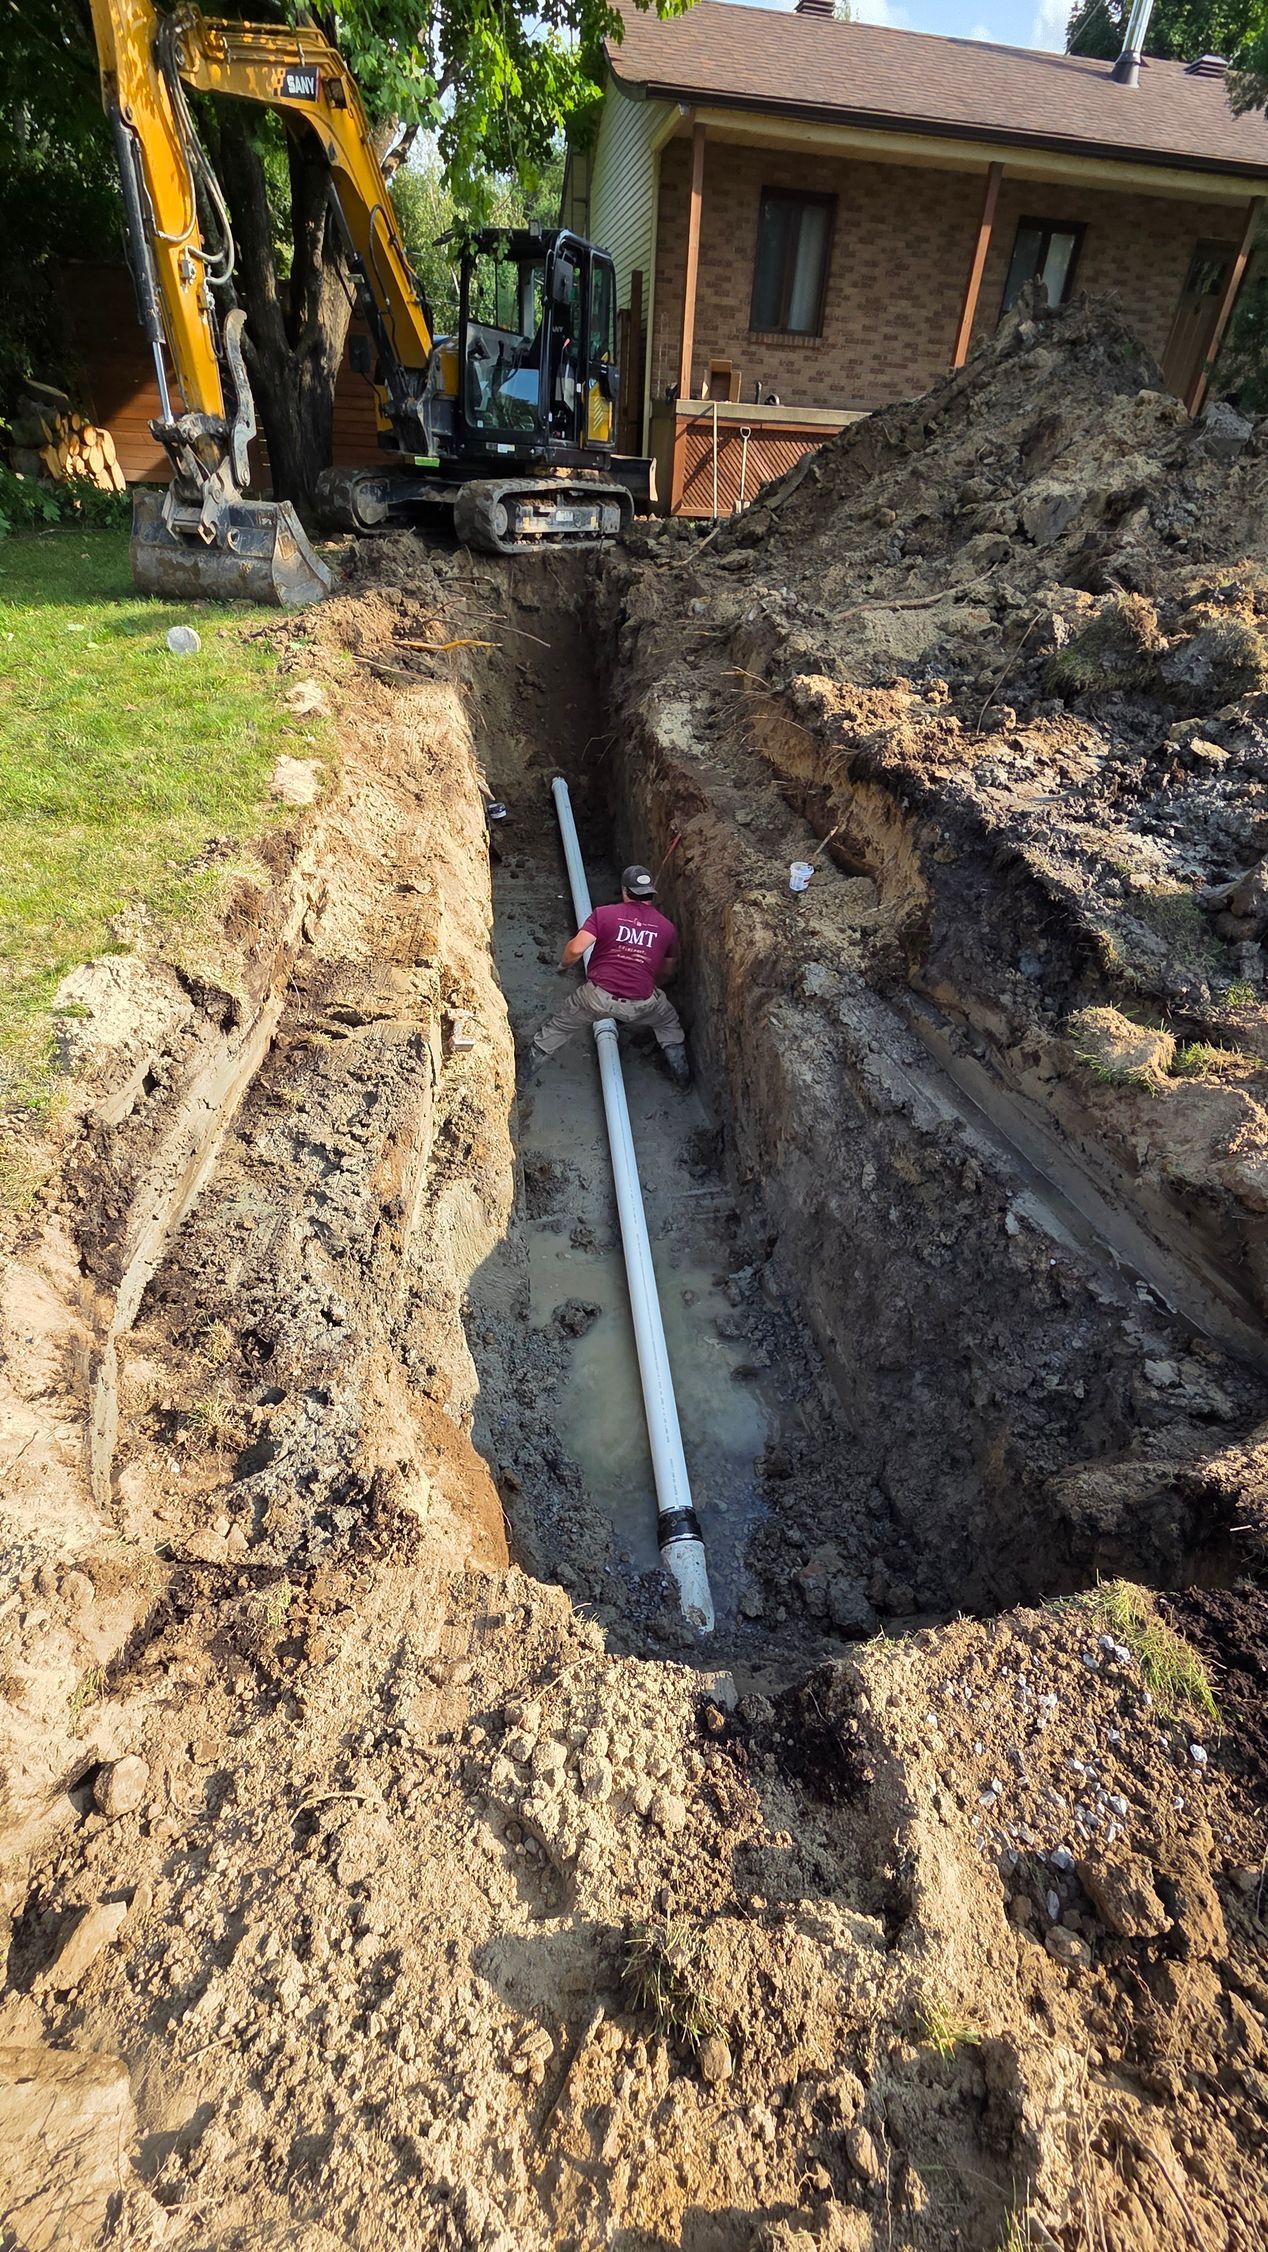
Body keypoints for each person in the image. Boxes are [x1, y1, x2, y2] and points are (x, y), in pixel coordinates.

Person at [522, 865, 690, 1086]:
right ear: (651, 892)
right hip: (643, 1002)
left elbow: (575, 950)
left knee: (559, 1026)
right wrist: (650, 986)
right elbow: (669, 969)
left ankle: (522, 1078)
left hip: (596, 998)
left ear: (624, 891)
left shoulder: (605, 914)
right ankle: (684, 1080)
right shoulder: (667, 928)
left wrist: (564, 965)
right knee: (668, 1022)